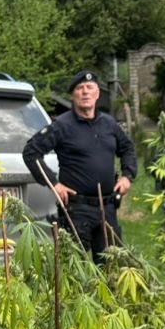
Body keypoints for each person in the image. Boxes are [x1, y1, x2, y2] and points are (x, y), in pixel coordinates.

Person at [23, 69, 137, 259]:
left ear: (97, 93)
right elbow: (31, 153)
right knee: (75, 268)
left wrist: (127, 176)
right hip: (77, 211)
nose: (85, 92)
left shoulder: (109, 124)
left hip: (107, 209)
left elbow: (128, 148)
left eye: (90, 87)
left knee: (111, 267)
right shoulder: (61, 125)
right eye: (80, 88)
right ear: (73, 95)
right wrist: (54, 183)